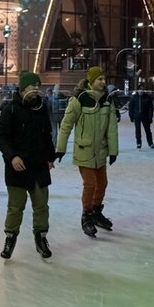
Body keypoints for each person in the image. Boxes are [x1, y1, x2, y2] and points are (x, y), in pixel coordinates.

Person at [0, 71, 56, 259]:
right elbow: (1, 138)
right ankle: (10, 238)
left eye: (38, 86)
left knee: (41, 206)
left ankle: (41, 238)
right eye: (32, 85)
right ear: (23, 89)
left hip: (39, 166)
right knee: (15, 207)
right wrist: (12, 157)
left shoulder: (42, 108)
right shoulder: (11, 109)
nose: (36, 89)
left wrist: (50, 157)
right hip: (17, 168)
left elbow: (47, 135)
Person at [56, 66, 119, 238]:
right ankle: (86, 216)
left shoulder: (107, 100)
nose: (103, 82)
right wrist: (60, 149)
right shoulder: (79, 99)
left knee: (102, 183)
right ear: (91, 81)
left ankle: (96, 211)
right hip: (84, 150)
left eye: (104, 79)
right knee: (90, 184)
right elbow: (66, 124)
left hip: (101, 151)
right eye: (100, 79)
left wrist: (113, 151)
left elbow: (112, 128)